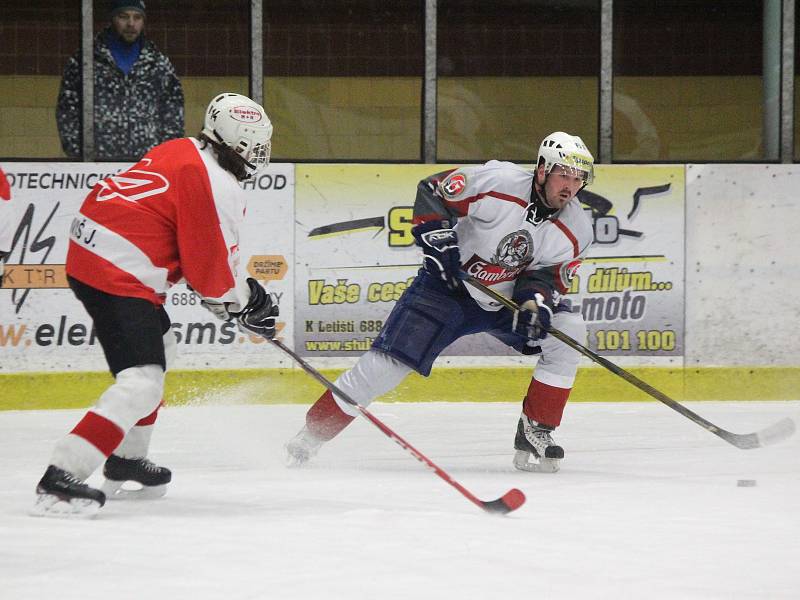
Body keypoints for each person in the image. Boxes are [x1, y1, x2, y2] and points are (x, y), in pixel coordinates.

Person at [286, 132, 595, 473]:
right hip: (447, 287)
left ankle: (536, 427)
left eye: (578, 178)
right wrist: (440, 242)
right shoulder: (500, 181)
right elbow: (435, 191)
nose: (570, 185)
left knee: (569, 329)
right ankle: (312, 434)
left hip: (504, 300)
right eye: (563, 174)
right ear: (541, 170)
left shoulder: (577, 228)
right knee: (384, 367)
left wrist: (535, 303)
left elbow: (547, 276)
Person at [32, 93, 278, 518]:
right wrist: (240, 305)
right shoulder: (216, 184)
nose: (256, 157)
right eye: (251, 147)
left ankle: (128, 458)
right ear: (232, 144)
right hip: (116, 271)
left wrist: (237, 300)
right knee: (142, 380)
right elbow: (210, 272)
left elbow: (202, 260)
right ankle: (61, 475)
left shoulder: (181, 148)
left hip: (92, 254)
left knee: (161, 350)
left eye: (261, 147)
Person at [56, 0, 184, 161]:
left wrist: (163, 157)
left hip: (146, 165)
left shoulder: (159, 64)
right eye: (124, 17)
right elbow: (67, 111)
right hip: (95, 165)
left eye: (137, 17)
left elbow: (173, 114)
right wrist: (79, 155)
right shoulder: (85, 60)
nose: (131, 23)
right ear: (112, 18)